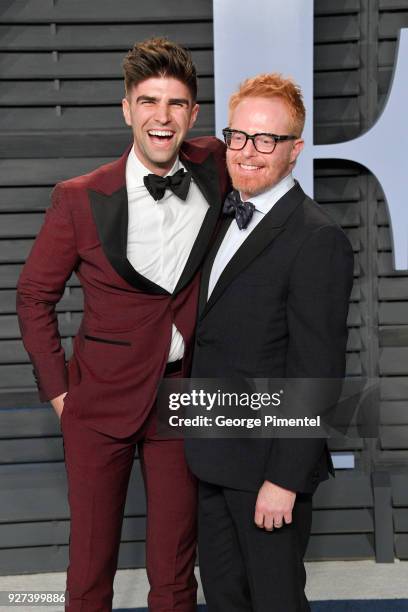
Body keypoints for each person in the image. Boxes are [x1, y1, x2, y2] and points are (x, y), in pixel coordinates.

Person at [16, 37, 228, 612]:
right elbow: (34, 295)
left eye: (176, 103)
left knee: (177, 570)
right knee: (88, 570)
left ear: (194, 114)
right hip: (99, 398)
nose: (163, 117)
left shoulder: (217, 167)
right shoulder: (80, 198)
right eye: (150, 101)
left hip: (181, 394)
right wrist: (60, 393)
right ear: (127, 108)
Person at [185, 73, 354, 611]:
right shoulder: (219, 218)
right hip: (211, 457)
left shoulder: (316, 237)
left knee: (275, 602)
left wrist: (283, 480)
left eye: (267, 140)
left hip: (265, 471)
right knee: (226, 600)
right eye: (238, 136)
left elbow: (318, 369)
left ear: (294, 150)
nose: (248, 152)